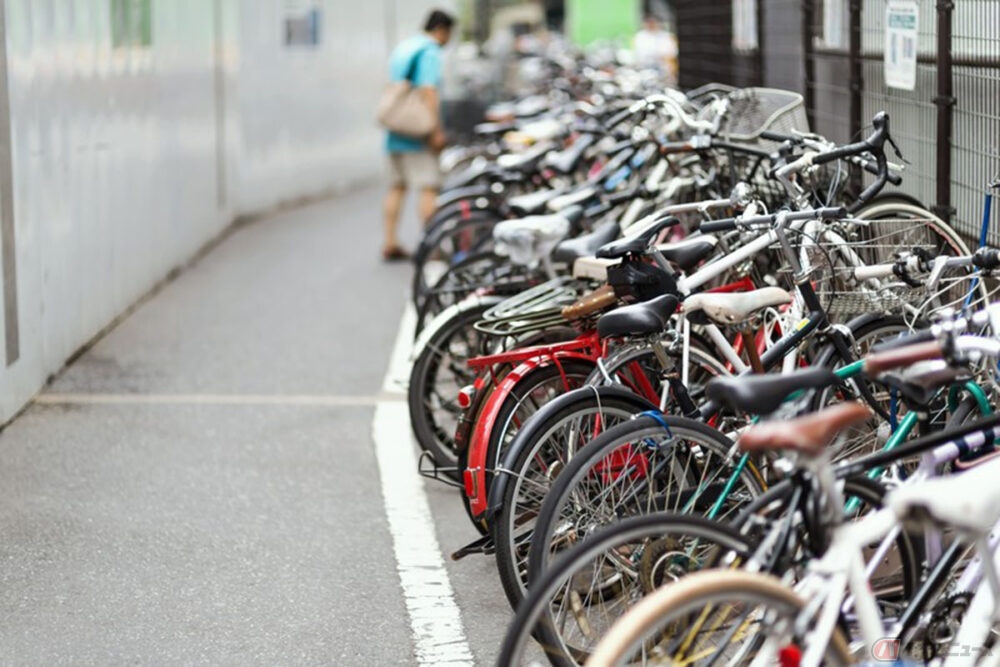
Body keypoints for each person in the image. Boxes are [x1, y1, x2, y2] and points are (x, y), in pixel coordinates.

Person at [381, 9, 455, 262]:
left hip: (396, 129)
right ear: (442, 30)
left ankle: (390, 241)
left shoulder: (405, 47)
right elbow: (428, 90)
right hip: (417, 133)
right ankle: (432, 246)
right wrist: (436, 130)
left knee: (397, 187)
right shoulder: (430, 51)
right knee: (428, 186)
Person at [634, 15, 678, 85]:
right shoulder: (640, 36)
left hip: (663, 70)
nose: (651, 25)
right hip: (645, 69)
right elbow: (640, 54)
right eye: (648, 22)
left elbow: (671, 53)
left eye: (653, 22)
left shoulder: (666, 36)